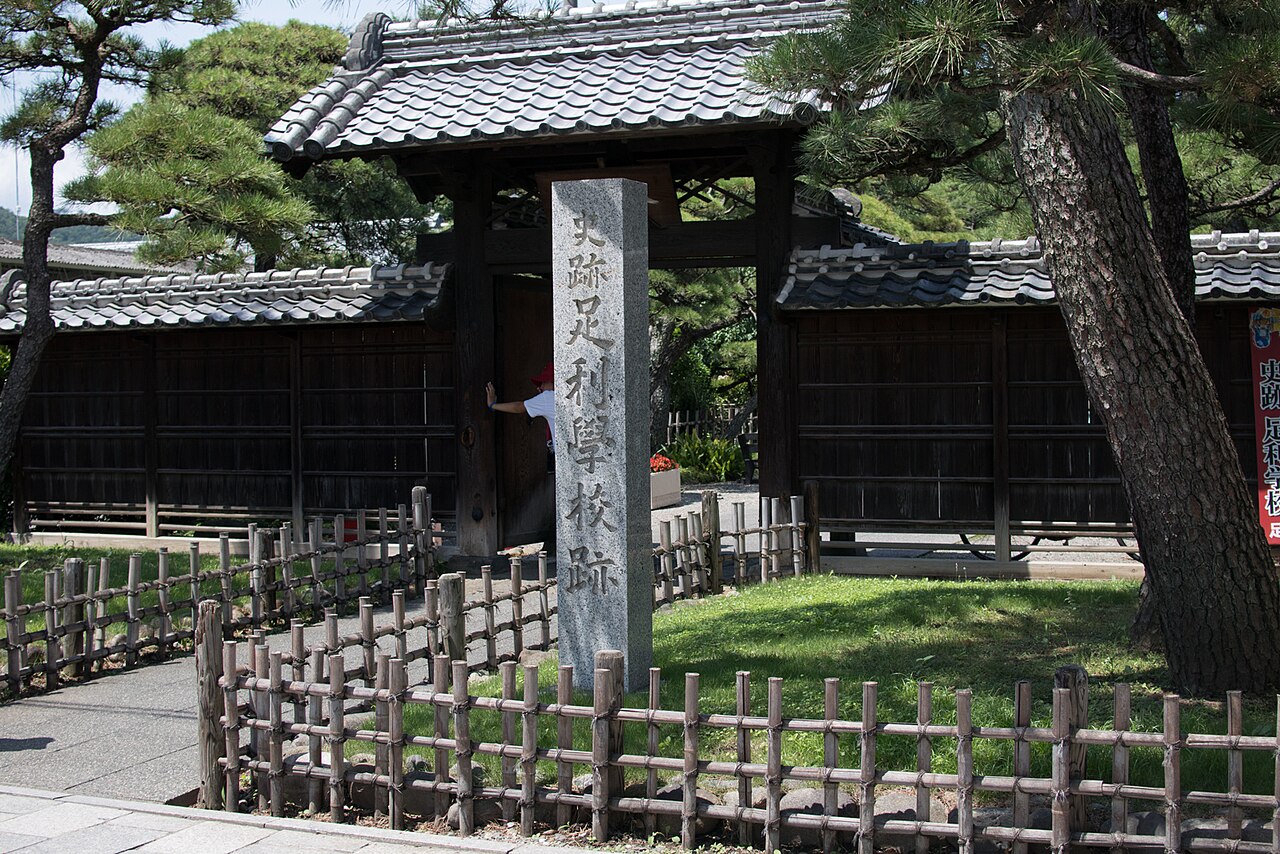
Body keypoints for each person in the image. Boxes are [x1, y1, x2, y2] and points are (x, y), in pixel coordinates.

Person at [486, 362, 556, 467]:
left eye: (542, 383)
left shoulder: (548, 396)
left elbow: (518, 407)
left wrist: (492, 405)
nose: (539, 388)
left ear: (552, 382)